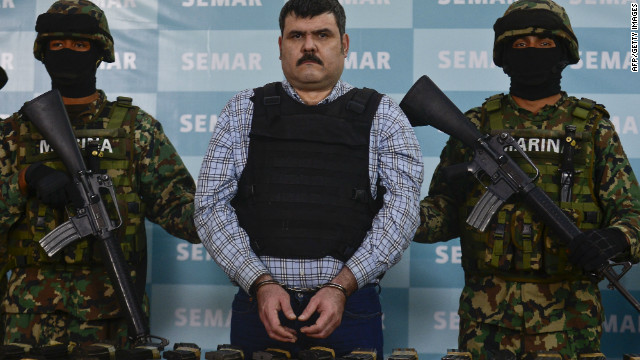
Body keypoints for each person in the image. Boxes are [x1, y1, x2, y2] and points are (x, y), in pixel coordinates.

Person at [194, 0, 423, 357]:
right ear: (281, 45)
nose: (309, 46)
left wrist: (341, 287)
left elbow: (402, 214)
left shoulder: (384, 116)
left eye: (322, 35)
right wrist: (261, 283)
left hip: (350, 307)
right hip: (261, 307)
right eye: (296, 35)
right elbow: (209, 208)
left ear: (344, 44)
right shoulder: (243, 110)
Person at [412, 1, 640, 359]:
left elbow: (633, 216)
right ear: (503, 54)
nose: (531, 51)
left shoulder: (592, 128)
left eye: (544, 42)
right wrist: (395, 213)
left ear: (565, 51)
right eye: (519, 44)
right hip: (486, 319)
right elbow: (439, 218)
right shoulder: (476, 126)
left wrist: (616, 239)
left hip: (570, 321)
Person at [0, 0, 199, 348]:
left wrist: (239, 207)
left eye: (80, 45)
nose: (67, 53)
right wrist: (24, 178)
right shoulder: (13, 133)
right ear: (42, 53)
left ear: (100, 52)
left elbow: (183, 212)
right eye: (56, 45)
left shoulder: (136, 130)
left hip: (112, 315)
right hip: (26, 319)